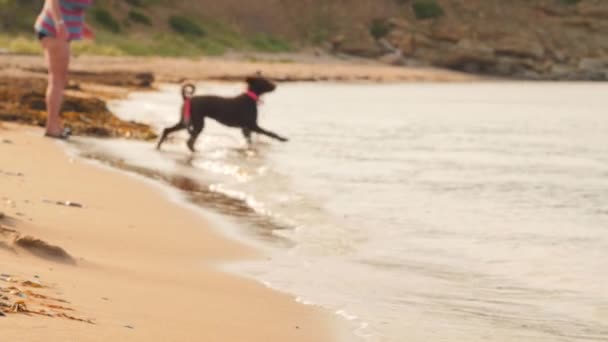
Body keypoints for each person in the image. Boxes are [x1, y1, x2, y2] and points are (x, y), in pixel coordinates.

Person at [34, 0, 94, 139]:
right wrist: (59, 23)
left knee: (60, 78)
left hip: (59, 31)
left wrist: (81, 26)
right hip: (54, 30)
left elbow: (71, 7)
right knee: (57, 79)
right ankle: (52, 127)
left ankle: (54, 123)